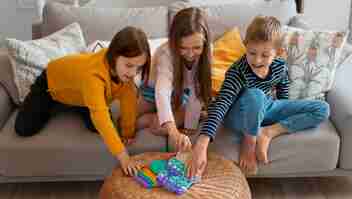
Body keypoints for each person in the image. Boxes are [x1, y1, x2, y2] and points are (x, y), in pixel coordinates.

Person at [187, 16, 330, 176]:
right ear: (245, 47)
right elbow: (222, 105)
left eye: (265, 55)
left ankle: (267, 132)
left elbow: (283, 96)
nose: (257, 60)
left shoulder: (280, 67)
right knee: (256, 94)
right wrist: (202, 143)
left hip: (266, 109)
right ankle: (249, 141)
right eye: (252, 53)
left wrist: (281, 115)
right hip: (239, 114)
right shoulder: (237, 71)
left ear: (278, 53)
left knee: (322, 109)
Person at [14, 26, 151, 176]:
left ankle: (80, 102)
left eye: (138, 68)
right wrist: (124, 158)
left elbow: (129, 103)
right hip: (51, 84)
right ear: (114, 56)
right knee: (24, 128)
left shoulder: (127, 79)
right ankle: (57, 104)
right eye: (129, 65)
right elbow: (101, 119)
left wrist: (128, 133)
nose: (133, 73)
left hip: (83, 93)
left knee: (95, 127)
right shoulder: (93, 77)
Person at [136, 7, 212, 152]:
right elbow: (162, 92)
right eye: (183, 48)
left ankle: (154, 119)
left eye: (196, 47)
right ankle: (150, 119)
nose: (190, 54)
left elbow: (196, 91)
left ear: (205, 43)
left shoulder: (207, 54)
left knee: (162, 126)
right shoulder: (166, 53)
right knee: (124, 123)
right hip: (151, 92)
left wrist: (190, 126)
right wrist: (174, 132)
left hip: (178, 95)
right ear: (174, 43)